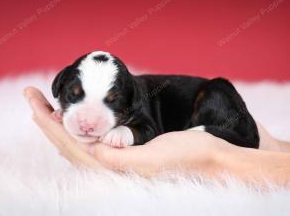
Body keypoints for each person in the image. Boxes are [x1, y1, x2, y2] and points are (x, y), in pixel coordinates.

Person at [23, 87, 290, 185]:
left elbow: (144, 127)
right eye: (74, 97)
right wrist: (271, 147)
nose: (89, 120)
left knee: (213, 97)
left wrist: (219, 159)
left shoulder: (140, 102)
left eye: (110, 102)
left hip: (211, 99)